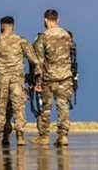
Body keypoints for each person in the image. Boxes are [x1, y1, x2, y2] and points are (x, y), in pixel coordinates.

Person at [0, 16, 38, 146]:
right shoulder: (21, 41)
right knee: (19, 108)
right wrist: (37, 77)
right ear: (13, 26)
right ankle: (20, 137)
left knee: (0, 108)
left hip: (1, 80)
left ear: (1, 26)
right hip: (16, 80)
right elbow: (34, 59)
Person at [32, 9, 75, 146]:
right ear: (58, 19)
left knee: (46, 107)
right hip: (65, 77)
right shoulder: (66, 35)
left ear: (45, 20)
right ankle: (63, 135)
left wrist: (37, 80)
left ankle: (44, 135)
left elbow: (38, 61)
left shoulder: (43, 37)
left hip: (48, 78)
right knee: (63, 105)